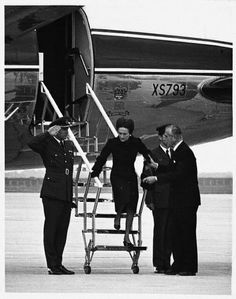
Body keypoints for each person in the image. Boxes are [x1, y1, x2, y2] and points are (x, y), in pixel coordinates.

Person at [142, 124, 201, 276]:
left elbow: (179, 175)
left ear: (174, 137)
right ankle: (179, 263)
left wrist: (156, 177)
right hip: (179, 200)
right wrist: (158, 167)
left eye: (167, 137)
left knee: (186, 233)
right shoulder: (177, 152)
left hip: (187, 201)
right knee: (177, 233)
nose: (164, 139)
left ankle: (189, 266)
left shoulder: (184, 152)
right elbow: (172, 170)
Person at [91, 117, 151, 248]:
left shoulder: (136, 142)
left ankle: (127, 236)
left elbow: (147, 154)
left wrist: (152, 164)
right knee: (122, 198)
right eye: (120, 133)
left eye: (125, 134)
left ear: (130, 133)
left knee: (132, 204)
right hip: (117, 176)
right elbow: (102, 157)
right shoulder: (113, 142)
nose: (122, 136)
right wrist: (95, 171)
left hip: (130, 175)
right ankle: (117, 215)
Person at [28, 116, 76, 275]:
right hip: (52, 193)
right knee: (52, 229)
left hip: (66, 194)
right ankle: (52, 264)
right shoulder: (46, 143)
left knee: (62, 230)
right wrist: (48, 133)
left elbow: (68, 172)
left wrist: (71, 197)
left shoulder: (69, 145)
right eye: (63, 129)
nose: (66, 132)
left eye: (67, 129)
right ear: (56, 130)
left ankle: (59, 263)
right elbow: (31, 143)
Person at [141, 124, 173, 274]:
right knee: (161, 231)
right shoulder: (152, 154)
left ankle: (170, 261)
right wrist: (149, 200)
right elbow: (145, 178)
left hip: (175, 199)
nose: (169, 138)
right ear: (160, 137)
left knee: (172, 232)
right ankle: (161, 263)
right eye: (166, 136)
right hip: (159, 199)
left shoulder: (176, 153)